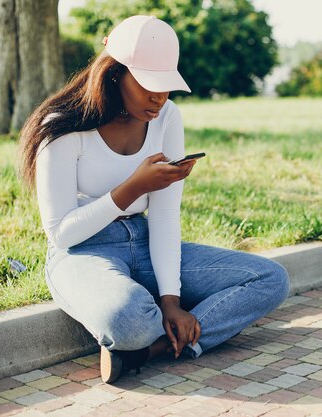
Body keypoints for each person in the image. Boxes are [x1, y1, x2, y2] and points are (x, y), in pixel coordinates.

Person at [18, 15, 290, 384]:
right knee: (125, 317)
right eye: (149, 84)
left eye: (166, 86)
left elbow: (164, 218)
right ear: (115, 75)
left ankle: (152, 349)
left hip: (145, 242)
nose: (159, 97)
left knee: (269, 278)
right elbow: (62, 234)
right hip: (84, 252)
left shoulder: (167, 118)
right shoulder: (62, 128)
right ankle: (174, 327)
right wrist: (132, 187)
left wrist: (171, 301)